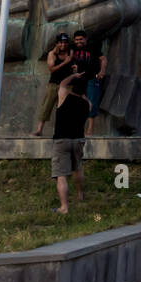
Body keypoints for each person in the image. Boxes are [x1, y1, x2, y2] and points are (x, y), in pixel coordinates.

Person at [51, 66, 89, 214]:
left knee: (61, 175)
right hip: (78, 140)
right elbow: (84, 98)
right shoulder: (87, 104)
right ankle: (80, 194)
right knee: (77, 168)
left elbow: (61, 84)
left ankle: (64, 207)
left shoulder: (64, 95)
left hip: (62, 140)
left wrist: (74, 75)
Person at [31, 33, 73, 136]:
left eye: (65, 42)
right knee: (46, 106)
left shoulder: (70, 52)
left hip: (67, 84)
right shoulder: (52, 54)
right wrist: (65, 62)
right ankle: (39, 130)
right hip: (54, 84)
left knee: (66, 108)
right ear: (57, 43)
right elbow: (51, 69)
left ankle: (66, 131)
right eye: (61, 42)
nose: (63, 45)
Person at [68, 29, 106, 137]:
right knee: (77, 104)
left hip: (92, 78)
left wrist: (102, 71)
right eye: (76, 39)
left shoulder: (93, 47)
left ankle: (90, 130)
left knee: (91, 102)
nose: (78, 41)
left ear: (86, 39)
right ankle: (77, 128)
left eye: (81, 39)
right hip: (79, 79)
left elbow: (103, 59)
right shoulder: (73, 48)